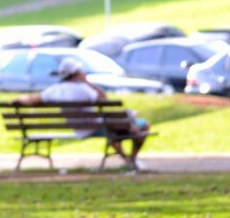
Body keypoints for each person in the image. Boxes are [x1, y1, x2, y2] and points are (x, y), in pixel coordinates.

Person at [16, 57, 150, 170]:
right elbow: (104, 98)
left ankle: (128, 159)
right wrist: (87, 81)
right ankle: (131, 159)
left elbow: (33, 99)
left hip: (79, 128)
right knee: (139, 125)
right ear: (77, 73)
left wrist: (19, 99)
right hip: (96, 127)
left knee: (117, 127)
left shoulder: (54, 90)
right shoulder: (84, 89)